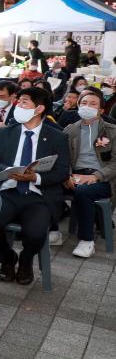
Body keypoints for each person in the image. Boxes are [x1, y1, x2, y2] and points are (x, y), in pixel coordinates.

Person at [0, 87, 70, 285]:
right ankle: (8, 259)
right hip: (8, 191)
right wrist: (9, 169)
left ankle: (26, 260)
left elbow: (61, 171)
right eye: (18, 101)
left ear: (39, 108)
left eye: (24, 102)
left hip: (38, 196)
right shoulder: (7, 132)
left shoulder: (57, 137)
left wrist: (35, 178)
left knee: (35, 233)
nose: (18, 105)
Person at [64, 88, 116, 258]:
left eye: (93, 104)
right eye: (84, 103)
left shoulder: (112, 131)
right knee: (48, 185)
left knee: (83, 191)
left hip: (103, 177)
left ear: (101, 110)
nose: (87, 106)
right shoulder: (70, 130)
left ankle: (86, 240)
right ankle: (53, 229)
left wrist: (96, 176)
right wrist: (67, 176)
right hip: (75, 174)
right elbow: (62, 158)